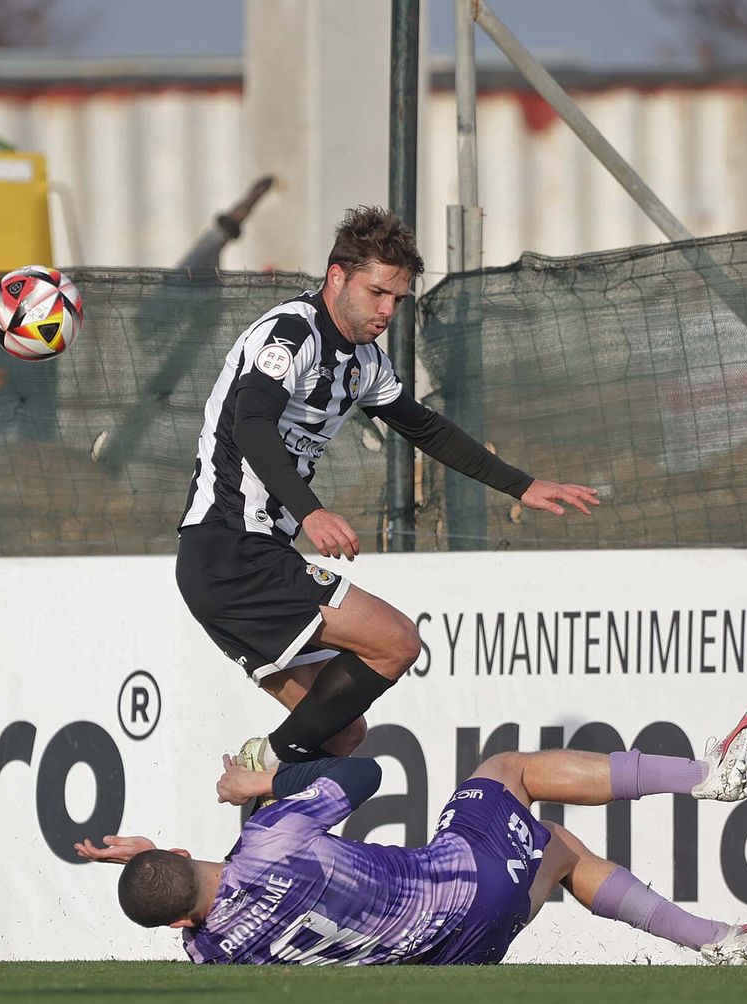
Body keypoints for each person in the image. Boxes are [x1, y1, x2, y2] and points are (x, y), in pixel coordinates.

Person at [176, 205, 600, 784]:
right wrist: (311, 511)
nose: (386, 311)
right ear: (336, 277)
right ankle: (263, 767)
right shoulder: (290, 334)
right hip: (229, 549)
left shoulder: (365, 361)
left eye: (398, 299)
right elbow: (252, 427)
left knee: (341, 733)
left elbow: (423, 427)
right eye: (377, 293)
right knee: (396, 642)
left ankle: (258, 854)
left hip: (250, 557)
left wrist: (522, 485)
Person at [77, 707, 747, 966]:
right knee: (507, 769)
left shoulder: (213, 951)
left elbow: (187, 903)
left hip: (455, 958)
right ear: (177, 853)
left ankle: (718, 940)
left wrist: (149, 866)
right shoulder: (271, 837)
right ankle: (708, 777)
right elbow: (365, 776)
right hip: (458, 884)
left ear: (176, 923)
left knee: (558, 849)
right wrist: (260, 786)